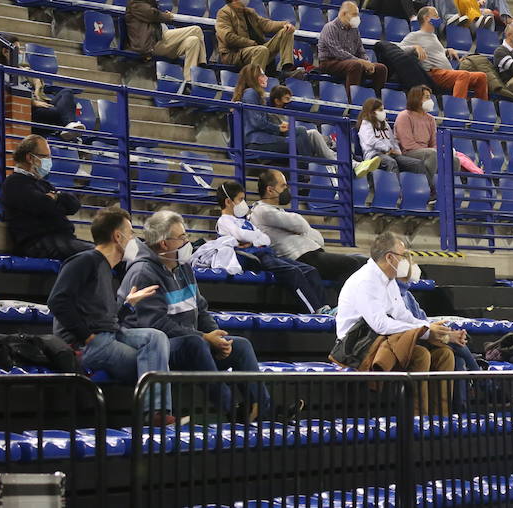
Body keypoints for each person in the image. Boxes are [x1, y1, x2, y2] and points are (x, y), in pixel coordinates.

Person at [121, 210, 273, 419]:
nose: (187, 242)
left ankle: (265, 412)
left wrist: (215, 336)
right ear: (164, 243)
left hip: (192, 343)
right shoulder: (144, 272)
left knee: (240, 346)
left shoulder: (184, 268)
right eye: (182, 237)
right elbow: (156, 324)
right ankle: (232, 411)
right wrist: (205, 338)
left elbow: (200, 309)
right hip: (157, 350)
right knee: (195, 344)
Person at [47, 206, 172, 425]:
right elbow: (57, 301)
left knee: (156, 338)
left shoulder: (106, 269)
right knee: (155, 365)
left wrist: (128, 305)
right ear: (117, 236)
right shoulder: (84, 261)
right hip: (86, 345)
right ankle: (153, 414)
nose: (134, 239)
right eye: (131, 233)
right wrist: (86, 336)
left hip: (108, 336)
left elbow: (106, 318)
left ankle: (157, 412)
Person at [334, 233, 455, 412]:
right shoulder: (366, 280)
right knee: (420, 355)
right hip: (355, 347)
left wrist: (435, 329)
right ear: (390, 257)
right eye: (403, 255)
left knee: (445, 354)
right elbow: (380, 324)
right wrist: (425, 330)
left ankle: (440, 421)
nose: (406, 260)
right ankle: (417, 422)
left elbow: (403, 315)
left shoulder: (389, 281)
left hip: (379, 340)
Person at [215, 180, 328, 314]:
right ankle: (315, 310)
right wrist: (253, 238)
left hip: (265, 252)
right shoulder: (224, 221)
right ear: (228, 202)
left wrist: (252, 239)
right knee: (292, 271)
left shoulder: (245, 222)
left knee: (310, 270)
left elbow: (265, 239)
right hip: (252, 256)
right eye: (240, 199)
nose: (244, 203)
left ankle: (325, 307)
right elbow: (240, 234)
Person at [250, 169, 365, 283]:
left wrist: (301, 230)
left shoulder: (278, 211)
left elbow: (316, 237)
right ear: (270, 190)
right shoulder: (262, 211)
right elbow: (300, 224)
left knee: (364, 262)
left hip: (312, 254)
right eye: (283, 186)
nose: (287, 189)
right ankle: (342, 301)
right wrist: (300, 229)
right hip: (301, 258)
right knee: (351, 264)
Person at [1, 134, 91, 259]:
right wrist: (55, 201)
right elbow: (43, 206)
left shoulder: (43, 183)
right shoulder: (14, 183)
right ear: (30, 158)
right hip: (38, 242)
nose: (49, 160)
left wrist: (55, 198)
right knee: (97, 254)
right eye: (45, 156)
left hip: (63, 239)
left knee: (108, 252)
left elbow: (74, 205)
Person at [125, 0, 206, 91]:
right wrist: (167, 16)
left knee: (193, 41)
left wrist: (163, 15)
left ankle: (188, 81)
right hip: (152, 43)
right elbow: (152, 14)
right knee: (196, 30)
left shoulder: (149, 1)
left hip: (162, 41)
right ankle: (203, 63)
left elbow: (155, 14)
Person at [398, 7, 488, 100]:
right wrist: (414, 47)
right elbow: (399, 48)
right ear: (426, 18)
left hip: (447, 74)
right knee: (463, 75)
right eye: (435, 16)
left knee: (481, 77)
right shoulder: (415, 35)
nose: (438, 18)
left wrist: (447, 50)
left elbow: (434, 50)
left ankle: (483, 107)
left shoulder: (433, 36)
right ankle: (456, 106)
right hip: (434, 74)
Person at [214, 0, 297, 71]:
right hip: (235, 54)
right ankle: (255, 80)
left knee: (287, 31)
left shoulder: (249, 12)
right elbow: (227, 37)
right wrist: (250, 43)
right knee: (261, 50)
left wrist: (285, 24)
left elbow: (266, 24)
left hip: (257, 49)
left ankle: (286, 68)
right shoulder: (224, 13)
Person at [318, 1, 388, 101]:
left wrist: (367, 62)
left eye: (357, 14)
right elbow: (337, 52)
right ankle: (352, 102)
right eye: (354, 14)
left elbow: (360, 50)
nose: (357, 17)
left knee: (381, 68)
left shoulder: (354, 30)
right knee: (356, 65)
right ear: (343, 14)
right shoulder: (330, 27)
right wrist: (360, 61)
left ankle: (374, 101)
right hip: (329, 62)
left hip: (350, 62)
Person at [268, 86, 338, 165]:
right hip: (285, 142)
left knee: (315, 135)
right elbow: (280, 134)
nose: (289, 101)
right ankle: (335, 163)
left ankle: (336, 159)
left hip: (296, 139)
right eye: (287, 99)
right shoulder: (271, 115)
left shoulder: (285, 115)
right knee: (312, 133)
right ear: (277, 101)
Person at [356, 97, 424, 176]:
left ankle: (419, 187)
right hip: (374, 156)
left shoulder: (385, 124)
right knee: (391, 163)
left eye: (383, 109)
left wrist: (398, 152)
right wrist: (387, 149)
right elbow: (372, 141)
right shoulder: (366, 124)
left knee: (417, 164)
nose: (383, 112)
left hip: (391, 154)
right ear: (372, 112)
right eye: (380, 110)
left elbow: (392, 140)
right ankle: (396, 188)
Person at [393, 86, 438, 186]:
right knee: (432, 154)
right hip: (408, 152)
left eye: (430, 97)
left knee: (454, 160)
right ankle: (429, 189)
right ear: (417, 98)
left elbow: (434, 142)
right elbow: (407, 144)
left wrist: (432, 150)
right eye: (427, 97)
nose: (430, 100)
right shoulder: (404, 116)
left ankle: (449, 192)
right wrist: (430, 151)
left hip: (427, 152)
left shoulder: (431, 119)